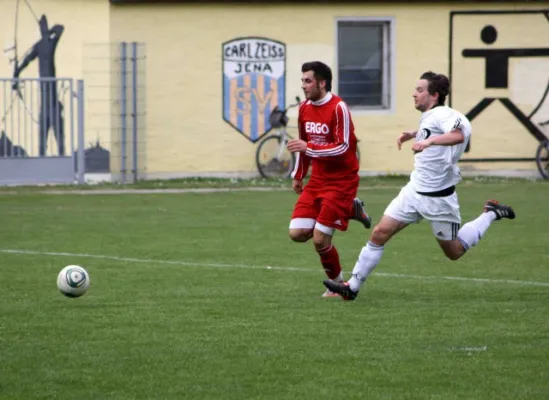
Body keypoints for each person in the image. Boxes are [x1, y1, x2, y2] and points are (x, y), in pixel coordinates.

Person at [323, 71, 516, 301]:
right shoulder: (431, 115)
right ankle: (351, 288)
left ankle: (490, 214)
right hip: (414, 191)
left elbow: (459, 133)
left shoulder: (444, 113)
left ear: (434, 95)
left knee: (454, 252)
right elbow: (438, 130)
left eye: (420, 90)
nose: (414, 94)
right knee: (379, 233)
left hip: (439, 198)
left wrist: (428, 141)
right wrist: (415, 134)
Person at [286, 61, 372, 298]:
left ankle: (337, 285)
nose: (304, 85)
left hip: (341, 181)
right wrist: (299, 174)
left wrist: (309, 148)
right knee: (297, 233)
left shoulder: (338, 108)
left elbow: (343, 147)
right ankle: (350, 210)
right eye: (302, 81)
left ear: (322, 83)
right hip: (317, 181)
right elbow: (303, 144)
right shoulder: (304, 109)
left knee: (319, 239)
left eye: (308, 81)